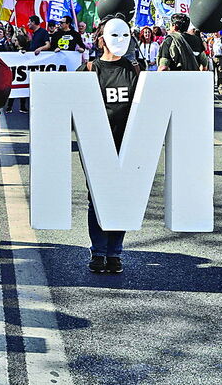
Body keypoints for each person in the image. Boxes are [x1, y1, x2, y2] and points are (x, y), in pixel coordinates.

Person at [77, 16, 139, 274]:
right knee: (97, 199)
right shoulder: (90, 69)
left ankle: (115, 252)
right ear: (100, 39)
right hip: (97, 142)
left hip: (126, 140)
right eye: (114, 36)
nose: (120, 41)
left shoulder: (133, 69)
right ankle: (98, 251)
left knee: (122, 197)